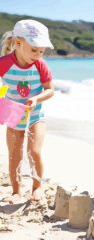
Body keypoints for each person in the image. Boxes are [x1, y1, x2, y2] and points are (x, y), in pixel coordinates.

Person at [0, 19, 54, 203]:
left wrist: (36, 98)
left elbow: (50, 89)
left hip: (35, 115)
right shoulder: (4, 63)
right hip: (13, 114)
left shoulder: (40, 65)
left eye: (41, 51)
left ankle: (37, 187)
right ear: (18, 43)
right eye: (34, 50)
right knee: (15, 154)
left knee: (34, 152)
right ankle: (16, 191)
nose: (38, 54)